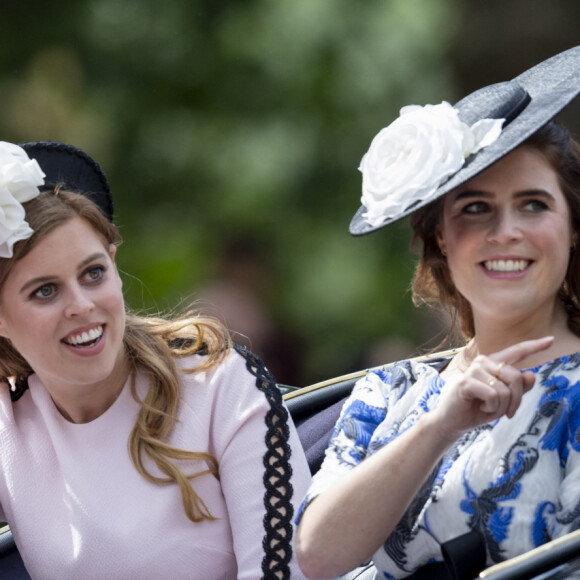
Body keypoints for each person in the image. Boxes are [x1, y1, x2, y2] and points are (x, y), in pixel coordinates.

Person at [295, 46, 580, 580]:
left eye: (534, 204)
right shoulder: (388, 391)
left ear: (572, 227)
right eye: (475, 209)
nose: (506, 231)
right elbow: (313, 557)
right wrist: (440, 425)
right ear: (441, 239)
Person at [0, 139, 311, 579]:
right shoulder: (8, 425)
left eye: (93, 274)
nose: (82, 305)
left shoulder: (220, 384)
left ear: (113, 262)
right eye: (45, 291)